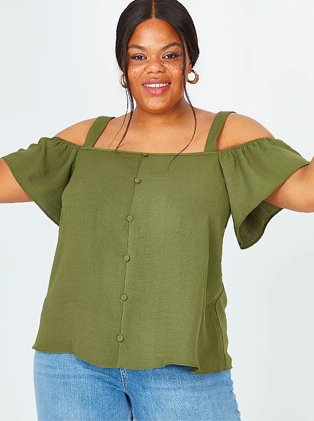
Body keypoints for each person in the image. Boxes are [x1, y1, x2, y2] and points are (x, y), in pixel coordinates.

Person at [1, 1, 313, 420]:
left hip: (184, 371)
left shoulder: (228, 137)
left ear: (189, 62)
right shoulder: (86, 141)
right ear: (123, 65)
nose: (154, 69)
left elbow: (306, 191)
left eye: (169, 55)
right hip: (72, 370)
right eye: (138, 56)